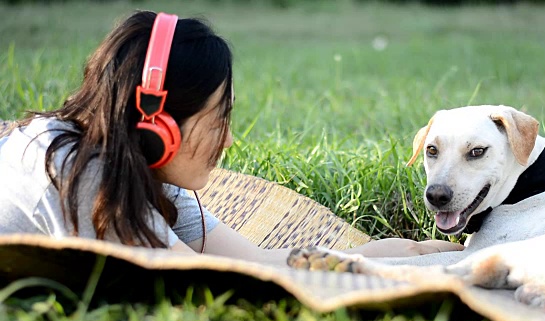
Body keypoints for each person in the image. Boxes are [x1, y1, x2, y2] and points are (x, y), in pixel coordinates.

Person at [0, 11, 463, 266]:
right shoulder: (76, 171)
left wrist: (434, 254)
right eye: (217, 122)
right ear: (155, 127)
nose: (229, 141)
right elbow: (207, 281)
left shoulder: (146, 181)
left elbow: (266, 264)